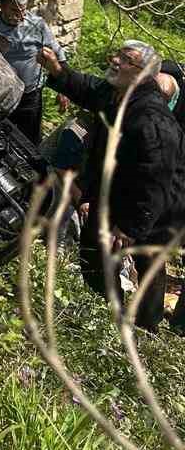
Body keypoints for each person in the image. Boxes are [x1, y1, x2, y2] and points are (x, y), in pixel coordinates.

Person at [39, 39, 185, 332]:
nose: (115, 60)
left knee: (147, 262)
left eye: (126, 59)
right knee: (95, 254)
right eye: (117, 53)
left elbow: (155, 182)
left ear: (143, 73)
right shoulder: (117, 94)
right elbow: (89, 88)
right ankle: (106, 313)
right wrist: (58, 70)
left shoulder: (152, 120)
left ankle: (147, 326)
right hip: (115, 194)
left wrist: (131, 227)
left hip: (154, 208)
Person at [0, 0, 64, 144]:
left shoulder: (37, 25)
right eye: (14, 10)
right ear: (1, 5)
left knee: (29, 141)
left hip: (29, 97)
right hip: (0, 95)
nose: (20, 15)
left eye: (23, 10)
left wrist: (64, 89)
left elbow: (57, 54)